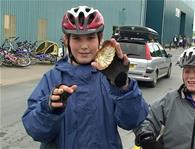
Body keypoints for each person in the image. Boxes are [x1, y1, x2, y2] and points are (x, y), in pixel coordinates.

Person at [22, 5, 148, 149]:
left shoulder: (109, 78)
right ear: (66, 40)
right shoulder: (52, 78)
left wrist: (123, 87)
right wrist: (49, 109)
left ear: (100, 39)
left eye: (90, 38)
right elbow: (35, 131)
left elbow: (132, 121)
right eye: (76, 38)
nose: (84, 46)